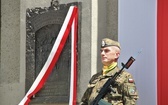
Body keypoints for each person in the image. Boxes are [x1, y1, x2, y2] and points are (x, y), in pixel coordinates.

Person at [80, 38, 139, 105]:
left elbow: (130, 103)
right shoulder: (95, 77)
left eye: (106, 51)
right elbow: (84, 101)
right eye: (101, 51)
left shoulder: (125, 77)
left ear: (116, 55)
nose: (102, 53)